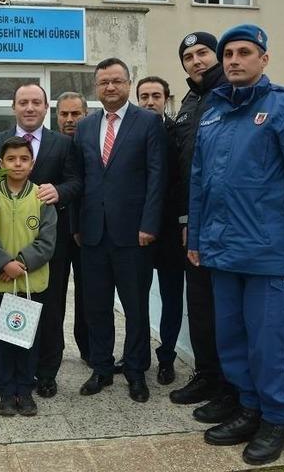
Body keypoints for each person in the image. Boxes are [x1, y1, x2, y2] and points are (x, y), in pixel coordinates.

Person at [187, 24, 284, 465]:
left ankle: (275, 419)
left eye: (244, 53)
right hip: (222, 250)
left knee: (268, 343)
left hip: (272, 254)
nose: (233, 60)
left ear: (264, 59)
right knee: (230, 337)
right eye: (228, 53)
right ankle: (248, 407)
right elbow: (199, 183)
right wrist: (195, 237)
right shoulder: (213, 112)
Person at [73, 57, 167, 403]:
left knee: (135, 307)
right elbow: (79, 178)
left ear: (128, 83)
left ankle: (136, 371)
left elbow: (158, 176)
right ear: (96, 87)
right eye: (103, 83)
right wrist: (77, 227)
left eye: (116, 81)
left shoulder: (148, 122)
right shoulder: (85, 126)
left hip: (134, 234)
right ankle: (101, 367)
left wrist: (150, 224)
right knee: (95, 306)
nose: (109, 87)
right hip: (93, 234)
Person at [0, 84, 81, 398]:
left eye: (36, 102)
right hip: (2, 248)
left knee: (50, 311)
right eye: (23, 102)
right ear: (13, 107)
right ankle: (10, 377)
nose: (29, 107)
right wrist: (0, 258)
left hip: (47, 243)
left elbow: (76, 181)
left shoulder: (63, 142)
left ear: (45, 107)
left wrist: (59, 192)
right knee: (7, 316)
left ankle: (47, 372)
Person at [171, 31, 239, 425]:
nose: (196, 61)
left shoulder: (231, 94)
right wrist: (184, 220)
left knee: (225, 311)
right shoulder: (190, 101)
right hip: (194, 223)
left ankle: (231, 389)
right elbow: (185, 170)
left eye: (203, 53)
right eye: (188, 56)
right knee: (198, 306)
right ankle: (208, 376)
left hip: (227, 224)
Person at [0, 136, 57, 417]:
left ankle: (25, 388)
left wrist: (21, 262)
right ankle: (6, 391)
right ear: (1, 163)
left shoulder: (41, 197)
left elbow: (47, 240)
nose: (17, 164)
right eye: (11, 159)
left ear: (32, 163)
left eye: (23, 159)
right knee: (1, 337)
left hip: (29, 281)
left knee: (28, 337)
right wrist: (3, 263)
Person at [132, 76, 183, 386]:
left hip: (171, 233)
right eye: (144, 96)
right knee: (136, 298)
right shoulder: (131, 132)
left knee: (171, 298)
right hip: (137, 231)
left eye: (155, 96)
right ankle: (138, 354)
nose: (149, 102)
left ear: (166, 99)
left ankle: (166, 358)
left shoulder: (178, 133)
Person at [55, 91, 91, 367]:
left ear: (85, 114)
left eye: (75, 114)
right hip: (53, 232)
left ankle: (89, 348)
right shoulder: (49, 145)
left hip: (87, 231)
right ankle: (52, 352)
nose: (69, 120)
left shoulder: (93, 142)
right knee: (54, 295)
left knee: (88, 293)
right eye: (64, 114)